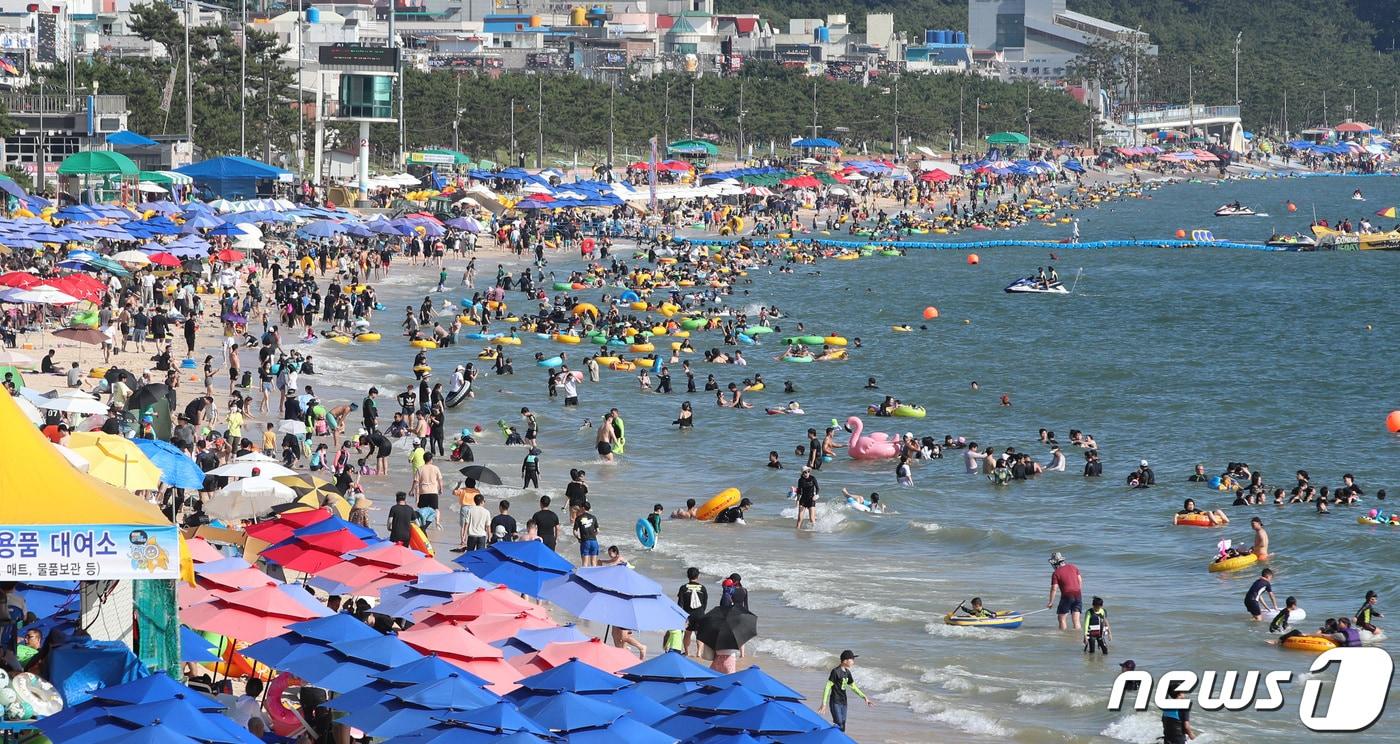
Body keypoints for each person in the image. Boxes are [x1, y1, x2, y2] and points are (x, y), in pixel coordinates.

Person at [818, 650, 874, 732]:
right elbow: (827, 687)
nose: (853, 662)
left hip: (844, 702)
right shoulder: (835, 672)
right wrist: (824, 703)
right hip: (835, 702)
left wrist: (864, 697)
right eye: (852, 659)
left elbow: (853, 687)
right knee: (839, 723)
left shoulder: (847, 673)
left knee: (843, 725)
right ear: (845, 661)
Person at [1046, 552, 1083, 631]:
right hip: (1078, 594)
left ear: (1054, 563)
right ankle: (1077, 637)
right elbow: (1080, 580)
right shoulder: (1073, 567)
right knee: (1076, 619)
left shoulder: (1056, 573)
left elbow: (1054, 588)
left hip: (1067, 595)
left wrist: (1050, 602)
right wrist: (1078, 592)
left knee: (1061, 618)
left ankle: (1063, 635)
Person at [677, 567, 708, 656]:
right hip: (700, 614)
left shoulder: (683, 588)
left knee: (687, 634)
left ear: (687, 576)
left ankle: (687, 652)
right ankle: (698, 653)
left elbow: (680, 603)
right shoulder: (703, 588)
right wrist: (701, 612)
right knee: (699, 634)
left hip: (688, 614)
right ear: (698, 576)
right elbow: (705, 603)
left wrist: (682, 616)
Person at [573, 500, 600, 566]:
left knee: (585, 563)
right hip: (594, 541)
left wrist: (578, 538)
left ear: (583, 508)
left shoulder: (578, 518)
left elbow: (574, 531)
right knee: (593, 562)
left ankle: (584, 576)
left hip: (585, 541)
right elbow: (598, 531)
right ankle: (593, 576)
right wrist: (593, 535)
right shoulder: (593, 517)